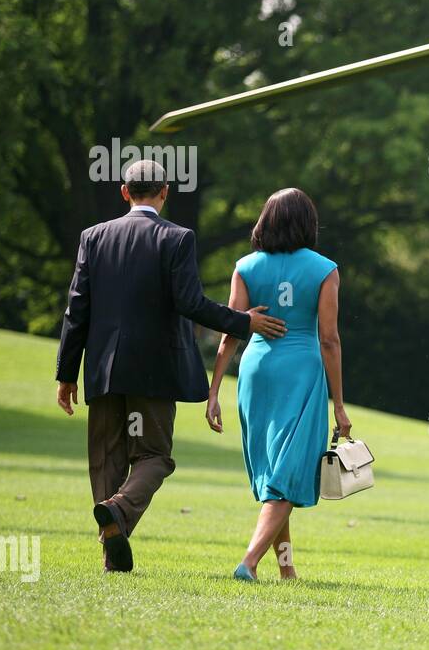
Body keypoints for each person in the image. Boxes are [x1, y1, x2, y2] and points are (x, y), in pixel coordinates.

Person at [55, 159, 287, 573]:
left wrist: (65, 373)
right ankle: (119, 510)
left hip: (103, 370)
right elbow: (190, 303)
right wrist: (243, 321)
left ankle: (113, 555)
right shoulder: (177, 238)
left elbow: (77, 311)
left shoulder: (93, 237)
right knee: (155, 456)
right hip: (154, 372)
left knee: (106, 459)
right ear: (164, 191)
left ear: (124, 192)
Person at [205, 187, 348, 581]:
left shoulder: (246, 266)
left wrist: (214, 391)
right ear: (308, 223)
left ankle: (286, 569)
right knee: (286, 476)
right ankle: (248, 562)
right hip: (300, 371)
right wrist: (339, 404)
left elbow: (230, 332)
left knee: (277, 473)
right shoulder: (324, 268)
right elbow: (329, 339)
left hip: (256, 371)